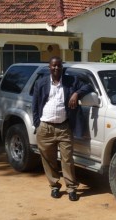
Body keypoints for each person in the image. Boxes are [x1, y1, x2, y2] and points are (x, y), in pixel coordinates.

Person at [32, 56, 93, 201]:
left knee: (67, 159)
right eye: (53, 66)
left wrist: (76, 93)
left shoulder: (71, 81)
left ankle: (71, 188)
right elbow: (34, 105)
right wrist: (37, 124)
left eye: (59, 66)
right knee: (49, 160)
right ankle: (54, 186)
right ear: (49, 67)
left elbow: (89, 86)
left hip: (64, 127)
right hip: (45, 127)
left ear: (62, 67)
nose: (56, 68)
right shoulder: (41, 83)